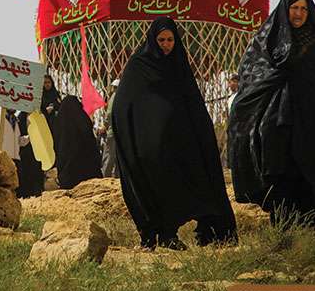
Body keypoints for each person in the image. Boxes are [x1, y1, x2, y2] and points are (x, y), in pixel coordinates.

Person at [228, 0, 315, 229]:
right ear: (285, 10)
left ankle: (310, 221)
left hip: (313, 117)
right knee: (280, 169)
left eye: (303, 9)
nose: (299, 14)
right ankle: (283, 225)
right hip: (277, 118)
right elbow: (251, 75)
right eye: (294, 8)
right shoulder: (268, 39)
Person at [113, 16, 237, 249]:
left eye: (170, 39)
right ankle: (150, 235)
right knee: (150, 185)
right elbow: (124, 104)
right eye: (161, 39)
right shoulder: (139, 66)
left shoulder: (179, 66)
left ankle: (169, 235)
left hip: (175, 144)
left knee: (175, 185)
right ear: (152, 39)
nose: (166, 44)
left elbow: (192, 104)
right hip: (146, 146)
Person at [53, 96, 102, 190]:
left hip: (67, 171)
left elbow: (56, 143)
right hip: (86, 170)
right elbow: (88, 134)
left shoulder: (58, 121)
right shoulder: (81, 119)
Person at [16, 111, 45, 197]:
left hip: (38, 152)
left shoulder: (39, 116)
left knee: (37, 176)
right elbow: (18, 138)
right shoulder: (21, 117)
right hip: (25, 153)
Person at [99, 79, 121, 178]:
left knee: (109, 156)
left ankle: (105, 176)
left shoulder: (114, 97)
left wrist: (105, 125)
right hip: (121, 132)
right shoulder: (122, 97)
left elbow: (109, 114)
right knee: (118, 157)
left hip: (113, 131)